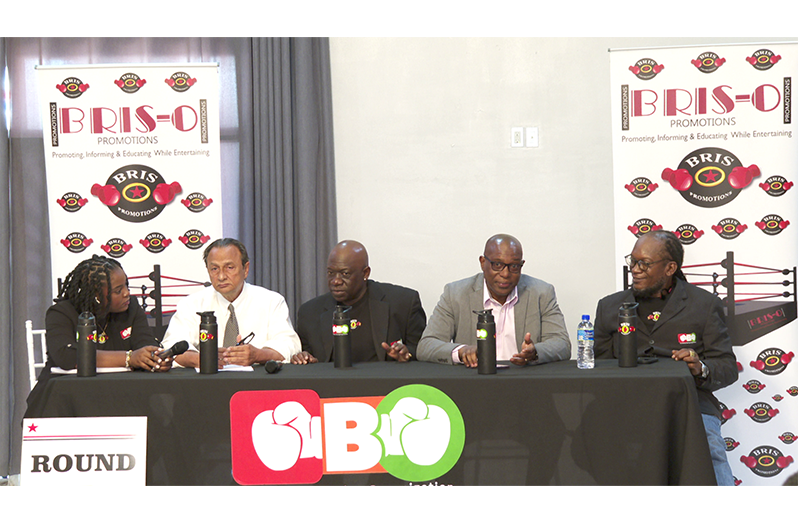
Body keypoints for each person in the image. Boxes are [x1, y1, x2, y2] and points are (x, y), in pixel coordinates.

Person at [593, 230, 738, 486]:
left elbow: (726, 366)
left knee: (710, 450)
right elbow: (600, 367)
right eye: (633, 261)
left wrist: (699, 368)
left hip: (690, 403)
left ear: (670, 267)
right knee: (595, 448)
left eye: (644, 264)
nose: (635, 269)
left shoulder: (704, 304)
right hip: (628, 404)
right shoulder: (610, 307)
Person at [26, 255, 168, 417]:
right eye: (118, 290)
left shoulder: (131, 308)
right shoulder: (62, 313)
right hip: (66, 402)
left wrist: (154, 358)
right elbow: (67, 355)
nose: (127, 294)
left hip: (121, 398)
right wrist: (129, 358)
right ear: (96, 294)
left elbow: (145, 344)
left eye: (126, 286)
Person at [417, 234, 571, 367]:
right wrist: (461, 351)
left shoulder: (541, 293)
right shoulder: (456, 294)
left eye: (514, 266)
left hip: (525, 380)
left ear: (521, 265)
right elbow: (426, 346)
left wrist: (535, 352)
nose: (505, 274)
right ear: (483, 262)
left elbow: (561, 343)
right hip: (473, 382)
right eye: (497, 265)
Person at [161, 238, 300, 368]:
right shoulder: (192, 304)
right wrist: (203, 359)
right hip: (205, 385)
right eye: (214, 269)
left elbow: (289, 345)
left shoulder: (271, 301)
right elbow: (171, 346)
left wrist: (257, 355)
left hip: (257, 385)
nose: (221, 276)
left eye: (229, 267)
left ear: (245, 269)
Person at [292, 240, 426, 364]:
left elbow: (423, 352)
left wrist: (406, 354)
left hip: (386, 386)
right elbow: (308, 359)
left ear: (365, 273)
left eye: (345, 274)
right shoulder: (310, 313)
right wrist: (305, 359)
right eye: (331, 273)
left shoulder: (403, 303)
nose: (335, 281)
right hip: (333, 387)